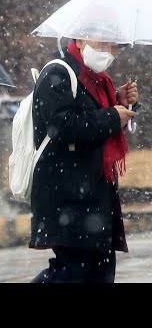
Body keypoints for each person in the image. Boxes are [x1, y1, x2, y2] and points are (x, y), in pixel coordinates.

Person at [30, 39, 138, 283]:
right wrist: (112, 116)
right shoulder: (58, 72)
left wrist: (119, 103)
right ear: (79, 40)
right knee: (71, 273)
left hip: (96, 196)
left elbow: (92, 118)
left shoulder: (98, 80)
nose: (108, 52)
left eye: (113, 47)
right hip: (68, 196)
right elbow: (61, 126)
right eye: (102, 43)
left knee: (100, 274)